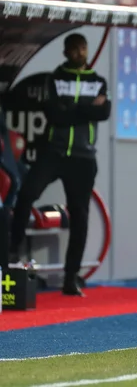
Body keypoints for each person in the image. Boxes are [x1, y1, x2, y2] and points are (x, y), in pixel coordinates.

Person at [8, 33, 111, 296]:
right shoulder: (55, 78)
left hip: (83, 158)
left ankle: (70, 277)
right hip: (53, 153)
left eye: (83, 47)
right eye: (75, 48)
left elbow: (104, 112)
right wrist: (86, 108)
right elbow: (55, 116)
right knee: (26, 194)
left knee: (80, 216)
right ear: (66, 52)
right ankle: (12, 254)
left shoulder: (98, 81)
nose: (80, 52)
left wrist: (71, 109)